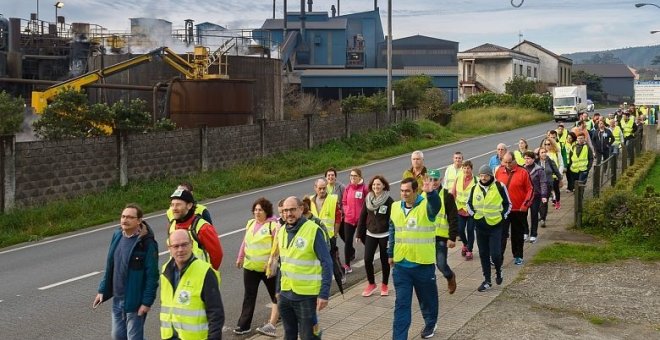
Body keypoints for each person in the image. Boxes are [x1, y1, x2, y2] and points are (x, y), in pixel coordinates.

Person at [94, 204, 159, 340]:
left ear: (139, 220)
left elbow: (152, 276)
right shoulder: (117, 235)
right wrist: (102, 290)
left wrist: (146, 302)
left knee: (133, 337)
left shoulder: (146, 243)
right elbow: (111, 266)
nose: (125, 220)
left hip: (135, 301)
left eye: (130, 217)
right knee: (118, 336)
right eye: (123, 216)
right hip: (117, 299)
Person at [388, 177, 441, 340]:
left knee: (427, 300)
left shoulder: (426, 205)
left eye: (407, 191)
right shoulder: (395, 206)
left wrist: (431, 193)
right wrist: (390, 253)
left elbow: (436, 207)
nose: (404, 194)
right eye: (402, 190)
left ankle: (430, 323)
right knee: (402, 305)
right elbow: (393, 229)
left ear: (415, 191)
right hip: (402, 266)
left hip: (422, 264)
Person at [276, 196, 333, 340]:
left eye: (293, 210)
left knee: (309, 336)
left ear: (301, 209)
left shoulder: (314, 230)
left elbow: (327, 263)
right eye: (285, 210)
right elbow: (282, 263)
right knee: (289, 334)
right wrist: (278, 290)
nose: (289, 214)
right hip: (286, 294)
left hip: (306, 296)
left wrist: (324, 294)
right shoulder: (282, 230)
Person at [160, 229, 224, 340]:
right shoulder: (165, 270)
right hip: (170, 336)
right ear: (169, 249)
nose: (180, 250)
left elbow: (216, 313)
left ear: (192, 244)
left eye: (184, 245)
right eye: (176, 246)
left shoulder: (205, 272)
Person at [234, 198, 280, 336]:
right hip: (250, 267)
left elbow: (277, 246)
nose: (257, 212)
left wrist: (272, 262)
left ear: (266, 211)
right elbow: (245, 242)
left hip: (267, 268)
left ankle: (280, 315)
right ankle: (244, 325)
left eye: (260, 210)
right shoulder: (250, 223)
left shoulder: (273, 226)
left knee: (275, 294)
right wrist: (240, 257)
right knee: (249, 296)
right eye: (255, 209)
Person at [467, 165, 511, 292]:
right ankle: (487, 280)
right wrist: (474, 215)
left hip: (495, 226)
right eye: (481, 175)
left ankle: (498, 270)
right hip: (480, 227)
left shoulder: (499, 186)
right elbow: (468, 204)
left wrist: (503, 216)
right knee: (483, 254)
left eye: (485, 175)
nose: (483, 178)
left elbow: (508, 204)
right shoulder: (475, 188)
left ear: (491, 175)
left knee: (496, 254)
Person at [356, 175, 394, 297]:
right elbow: (362, 217)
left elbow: (393, 220)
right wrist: (358, 233)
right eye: (374, 185)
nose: (376, 187)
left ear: (383, 185)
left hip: (385, 234)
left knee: (385, 261)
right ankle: (371, 284)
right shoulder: (368, 199)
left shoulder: (389, 201)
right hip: (370, 233)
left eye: (378, 184)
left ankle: (384, 284)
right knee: (367, 259)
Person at [169, 189, 223, 270]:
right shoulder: (172, 226)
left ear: (189, 205)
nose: (174, 208)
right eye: (172, 205)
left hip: (200, 279)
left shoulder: (203, 228)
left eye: (178, 205)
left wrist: (208, 275)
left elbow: (217, 255)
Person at [495, 152, 533, 266]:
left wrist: (525, 205)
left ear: (514, 160)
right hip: (503, 209)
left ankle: (518, 255)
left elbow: (530, 189)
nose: (507, 164)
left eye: (509, 162)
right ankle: (499, 258)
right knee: (501, 234)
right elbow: (494, 188)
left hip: (518, 209)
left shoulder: (523, 172)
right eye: (505, 162)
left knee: (517, 234)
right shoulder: (499, 171)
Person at [427, 169, 459, 295]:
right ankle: (429, 289)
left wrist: (452, 237)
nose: (433, 182)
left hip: (441, 236)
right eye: (430, 179)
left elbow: (453, 217)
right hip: (426, 237)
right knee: (427, 266)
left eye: (435, 180)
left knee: (441, 264)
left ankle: (450, 276)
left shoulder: (447, 196)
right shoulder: (422, 196)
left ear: (440, 180)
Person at [341, 168, 369, 273]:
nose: (352, 178)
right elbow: (344, 202)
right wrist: (347, 211)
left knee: (364, 239)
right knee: (348, 241)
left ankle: (369, 257)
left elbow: (368, 203)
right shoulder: (348, 188)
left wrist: (365, 216)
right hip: (349, 219)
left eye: (355, 176)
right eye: (351, 176)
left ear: (359, 177)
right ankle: (347, 265)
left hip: (361, 221)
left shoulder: (364, 189)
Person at [451, 160, 477, 260]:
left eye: (468, 168)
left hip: (471, 211)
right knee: (460, 230)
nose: (466, 170)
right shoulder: (458, 177)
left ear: (471, 169)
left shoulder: (476, 180)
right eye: (464, 168)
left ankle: (469, 251)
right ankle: (465, 244)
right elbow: (453, 193)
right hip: (460, 209)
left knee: (470, 230)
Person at [522, 151, 547, 244]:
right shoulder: (522, 169)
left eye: (528, 158)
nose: (526, 160)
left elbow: (543, 183)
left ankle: (533, 234)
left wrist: (544, 195)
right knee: (523, 214)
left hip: (535, 195)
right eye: (525, 158)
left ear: (533, 159)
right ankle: (525, 232)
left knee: (534, 215)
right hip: (524, 196)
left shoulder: (539, 170)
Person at [537, 147, 562, 228]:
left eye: (545, 152)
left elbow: (556, 171)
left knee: (544, 202)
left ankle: (542, 219)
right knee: (539, 203)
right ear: (539, 154)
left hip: (547, 185)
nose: (544, 154)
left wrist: (560, 180)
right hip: (537, 186)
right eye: (542, 152)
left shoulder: (550, 161)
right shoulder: (536, 162)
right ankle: (541, 216)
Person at [540, 138, 564, 209]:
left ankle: (557, 201)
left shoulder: (557, 153)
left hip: (555, 175)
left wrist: (559, 174)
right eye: (545, 144)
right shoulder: (544, 153)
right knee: (549, 190)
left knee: (556, 189)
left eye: (548, 144)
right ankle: (552, 199)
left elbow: (561, 164)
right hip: (547, 175)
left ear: (552, 144)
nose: (547, 146)